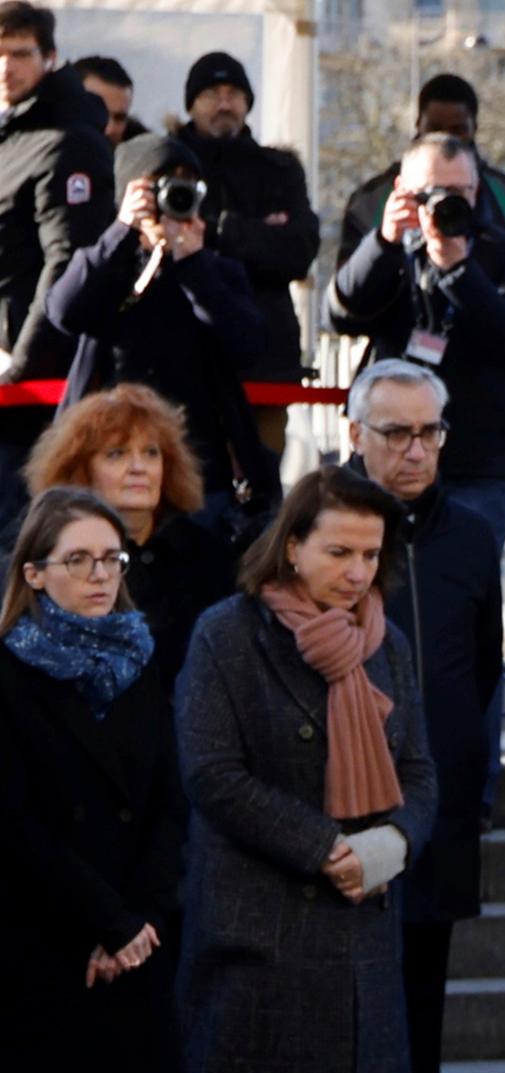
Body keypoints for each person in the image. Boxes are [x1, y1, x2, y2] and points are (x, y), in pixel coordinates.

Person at [176, 467, 433, 1073]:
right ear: (292, 545)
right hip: (259, 926)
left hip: (357, 923)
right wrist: (325, 846)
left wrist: (395, 843)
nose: (356, 572)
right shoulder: (228, 637)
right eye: (339, 551)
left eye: (370, 554)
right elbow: (213, 773)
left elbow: (420, 772)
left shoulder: (387, 646)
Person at [0, 486, 179, 1073]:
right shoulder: (11, 676)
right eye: (79, 561)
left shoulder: (142, 665)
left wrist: (142, 919)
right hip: (41, 955)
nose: (102, 576)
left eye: (112, 559)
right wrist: (106, 921)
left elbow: (167, 810)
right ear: (34, 575)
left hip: (131, 956)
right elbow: (17, 828)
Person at [339, 357, 497, 1073]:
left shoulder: (471, 537)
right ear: (356, 432)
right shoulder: (322, 525)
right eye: (394, 432)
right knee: (352, 1008)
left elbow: (478, 674)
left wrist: (465, 784)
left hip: (435, 810)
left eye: (429, 431)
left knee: (423, 1012)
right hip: (348, 812)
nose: (414, 450)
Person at [331, 131, 505, 555]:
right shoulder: (390, 249)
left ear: (476, 190)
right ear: (403, 192)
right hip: (389, 453)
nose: (445, 203)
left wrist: (460, 269)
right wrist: (385, 243)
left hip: (476, 457)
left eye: (458, 191)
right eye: (431, 192)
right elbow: (342, 314)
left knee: (465, 579)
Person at [44, 139, 273, 510]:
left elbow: (248, 345)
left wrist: (193, 264)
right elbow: (63, 311)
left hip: (200, 470)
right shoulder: (108, 263)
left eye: (184, 186)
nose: (172, 197)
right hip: (106, 466)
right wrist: (121, 231)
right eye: (160, 186)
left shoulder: (216, 271)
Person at [24, 382, 228, 682]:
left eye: (150, 453)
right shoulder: (50, 555)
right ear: (81, 469)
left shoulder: (210, 556)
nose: (138, 467)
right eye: (117, 454)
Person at [169, 52, 319, 396]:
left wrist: (216, 231)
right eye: (212, 95)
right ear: (191, 105)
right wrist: (257, 232)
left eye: (234, 95)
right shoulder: (167, 164)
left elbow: (299, 251)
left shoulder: (279, 169)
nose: (224, 105)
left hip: (265, 362)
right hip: (185, 358)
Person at [0, 4, 111, 415]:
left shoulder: (67, 140)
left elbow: (66, 260)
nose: (5, 66)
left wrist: (22, 365)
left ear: (49, 58)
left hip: (32, 384)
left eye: (19, 53)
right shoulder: (12, 133)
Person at [335, 75, 505, 255]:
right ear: (418, 125)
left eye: (458, 130)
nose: (446, 138)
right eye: (435, 129)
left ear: (474, 129)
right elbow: (345, 290)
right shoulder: (371, 201)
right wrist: (383, 241)